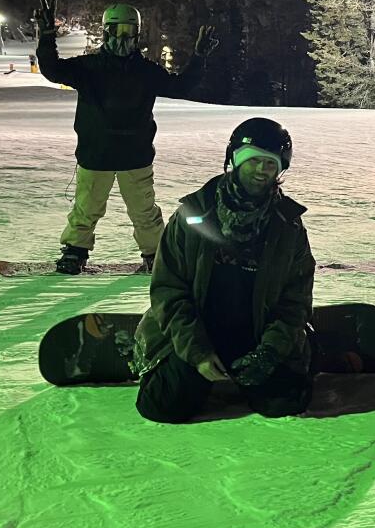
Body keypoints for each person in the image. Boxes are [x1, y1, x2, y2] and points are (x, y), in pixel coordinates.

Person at [132, 118, 316, 423]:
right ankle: (155, 349)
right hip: (201, 333)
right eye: (253, 160)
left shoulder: (288, 226)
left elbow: (295, 299)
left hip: (257, 336)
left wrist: (269, 352)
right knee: (163, 406)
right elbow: (168, 289)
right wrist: (197, 353)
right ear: (234, 160)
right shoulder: (193, 216)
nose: (260, 170)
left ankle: (307, 348)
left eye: (269, 164)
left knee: (284, 403)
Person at [33, 0, 216, 274]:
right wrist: (46, 36)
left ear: (137, 35)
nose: (123, 38)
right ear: (106, 32)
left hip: (135, 156)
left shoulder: (146, 72)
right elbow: (52, 70)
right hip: (97, 155)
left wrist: (199, 58)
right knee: (86, 209)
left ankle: (156, 255)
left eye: (129, 32)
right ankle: (75, 251)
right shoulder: (89, 68)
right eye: (117, 31)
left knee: (144, 213)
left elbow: (182, 86)